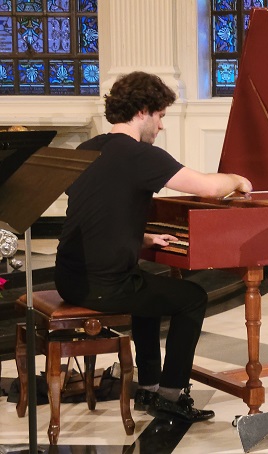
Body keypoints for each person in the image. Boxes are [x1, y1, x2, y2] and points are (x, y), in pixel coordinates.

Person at [54, 71, 252, 422]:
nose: (161, 126)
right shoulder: (140, 156)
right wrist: (238, 179)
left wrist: (141, 238)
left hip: (68, 277)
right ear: (143, 111)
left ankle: (147, 385)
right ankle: (171, 395)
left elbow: (97, 211)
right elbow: (208, 188)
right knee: (192, 298)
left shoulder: (88, 148)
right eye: (161, 116)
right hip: (102, 286)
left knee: (144, 284)